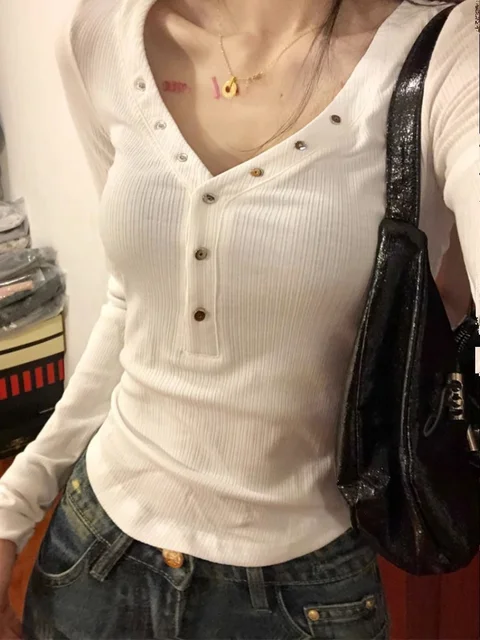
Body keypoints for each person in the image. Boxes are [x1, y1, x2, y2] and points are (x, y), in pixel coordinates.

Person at [0, 0, 478, 637]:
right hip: (90, 554)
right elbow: (131, 307)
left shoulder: (449, 53)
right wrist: (14, 504)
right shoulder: (99, 34)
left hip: (305, 593)